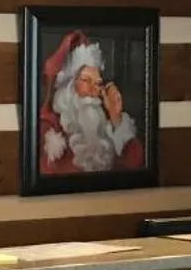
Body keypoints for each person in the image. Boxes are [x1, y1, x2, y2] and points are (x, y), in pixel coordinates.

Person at [39, 31, 144, 177]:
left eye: (98, 83)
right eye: (86, 80)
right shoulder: (50, 127)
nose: (93, 89)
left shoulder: (107, 125)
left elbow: (136, 163)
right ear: (69, 87)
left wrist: (116, 117)